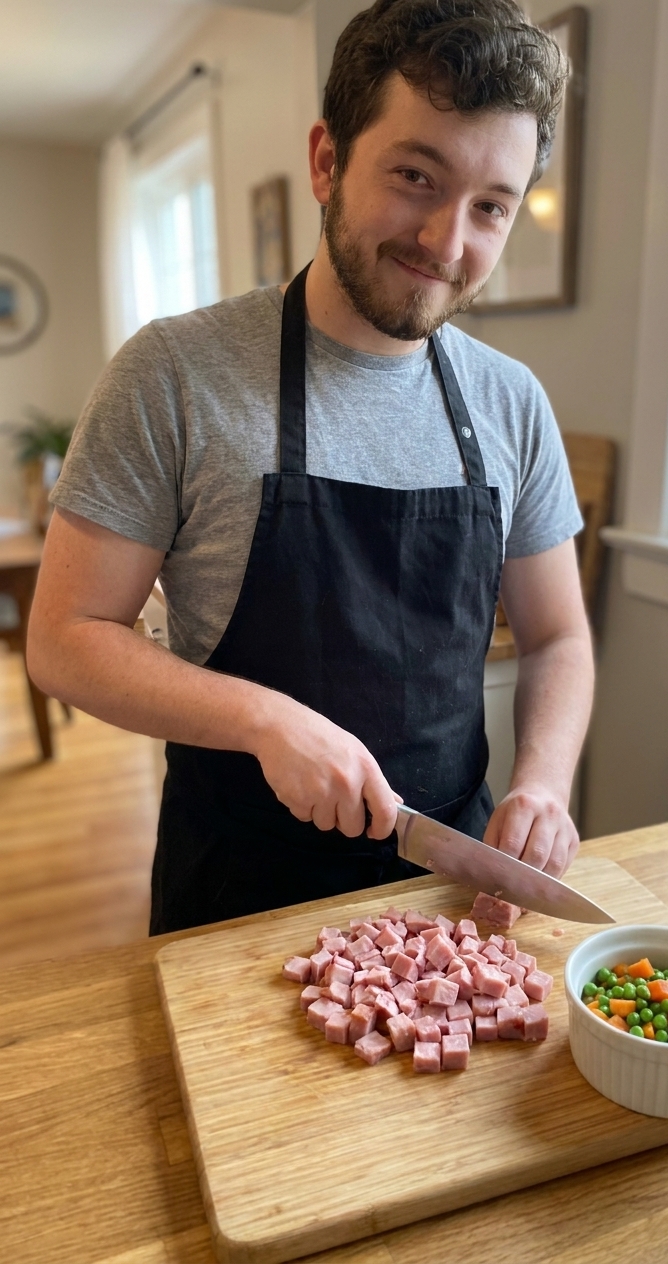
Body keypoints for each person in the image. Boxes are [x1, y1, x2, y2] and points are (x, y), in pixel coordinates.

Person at [27, 0, 594, 935]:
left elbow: (558, 638)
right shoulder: (174, 373)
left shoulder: (511, 401)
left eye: (490, 206)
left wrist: (540, 787)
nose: (448, 244)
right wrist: (265, 719)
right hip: (239, 891)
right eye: (416, 177)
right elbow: (65, 638)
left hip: (450, 885)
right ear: (327, 160)